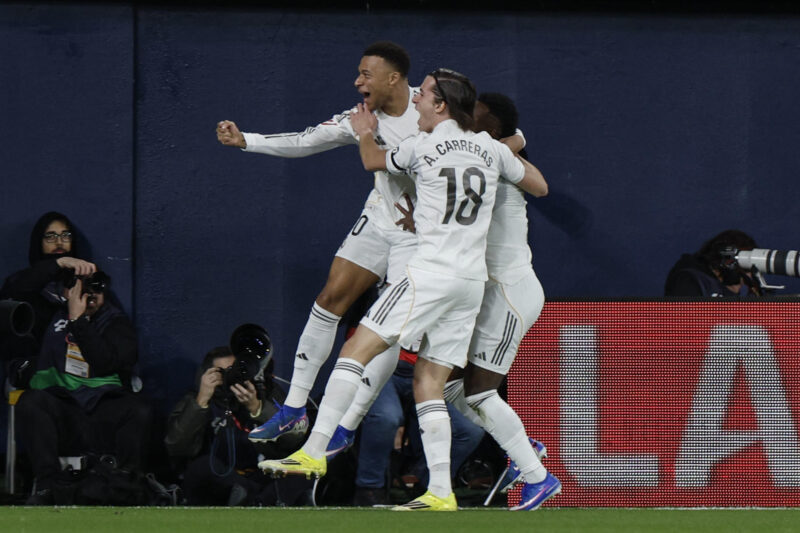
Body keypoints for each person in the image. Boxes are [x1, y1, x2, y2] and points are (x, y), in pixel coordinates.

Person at [259, 68, 551, 512]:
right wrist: (504, 145)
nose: (415, 100)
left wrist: (363, 133)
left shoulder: (422, 144)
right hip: (470, 284)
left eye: (425, 95)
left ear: (441, 106)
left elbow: (373, 162)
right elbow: (536, 183)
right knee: (431, 382)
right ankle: (440, 491)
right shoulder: (490, 150)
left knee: (356, 349)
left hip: (432, 274)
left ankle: (313, 452)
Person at [216, 41, 420, 445]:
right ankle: (293, 409)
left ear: (393, 78)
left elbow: (501, 132)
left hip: (422, 236)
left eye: (366, 74)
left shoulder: (434, 105)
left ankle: (346, 426)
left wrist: (513, 145)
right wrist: (247, 141)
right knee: (329, 300)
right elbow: (305, 140)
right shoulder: (360, 119)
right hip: (381, 220)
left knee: (387, 330)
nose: (357, 81)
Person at [439, 93, 558, 510]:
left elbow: (541, 187)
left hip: (509, 292)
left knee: (480, 394)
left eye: (473, 116)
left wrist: (513, 142)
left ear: (490, 127)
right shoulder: (476, 156)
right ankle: (524, 445)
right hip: (483, 295)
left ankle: (537, 477)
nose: (462, 119)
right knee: (448, 387)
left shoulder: (498, 161)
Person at [14, 269, 153, 505]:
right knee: (30, 402)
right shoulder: (49, 316)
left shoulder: (116, 324)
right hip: (63, 411)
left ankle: (127, 485)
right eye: (81, 290)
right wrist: (58, 263)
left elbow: (106, 362)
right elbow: (15, 288)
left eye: (95, 290)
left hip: (101, 413)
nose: (89, 296)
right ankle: (47, 485)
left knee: (139, 410)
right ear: (66, 291)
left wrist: (78, 322)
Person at [164, 346, 309, 506]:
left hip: (262, 474)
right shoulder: (196, 399)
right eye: (222, 373)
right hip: (219, 478)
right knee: (200, 467)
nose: (230, 377)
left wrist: (258, 409)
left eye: (236, 371)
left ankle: (254, 500)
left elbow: (292, 439)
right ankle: (256, 500)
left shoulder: (265, 393)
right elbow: (176, 446)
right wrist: (201, 401)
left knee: (302, 467)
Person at [1, 211, 96, 382]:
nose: (59, 242)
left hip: (80, 371)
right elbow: (15, 289)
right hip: (37, 369)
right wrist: (59, 263)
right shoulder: (23, 282)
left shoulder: (85, 283)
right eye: (50, 236)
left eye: (65, 235)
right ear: (39, 242)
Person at [664, 229, 762, 297]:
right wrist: (729, 293)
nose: (744, 278)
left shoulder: (746, 285)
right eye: (743, 270)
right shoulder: (689, 280)